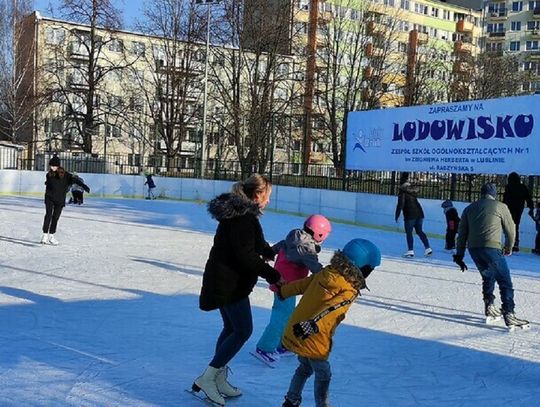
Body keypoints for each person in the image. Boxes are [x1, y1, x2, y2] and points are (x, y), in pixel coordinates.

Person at [191, 174, 282, 406]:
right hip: (229, 283)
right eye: (267, 196)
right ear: (257, 195)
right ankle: (209, 377)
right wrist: (274, 275)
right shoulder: (242, 218)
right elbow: (246, 256)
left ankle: (217, 375)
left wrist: (271, 251)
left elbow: (254, 244)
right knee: (242, 330)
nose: (269, 201)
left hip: (226, 280)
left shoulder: (244, 215)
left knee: (231, 327)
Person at [279, 238, 381, 407]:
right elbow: (332, 308)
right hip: (312, 334)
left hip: (296, 328)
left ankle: (291, 399)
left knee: (304, 368)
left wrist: (284, 290)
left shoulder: (327, 272)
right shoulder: (349, 289)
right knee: (323, 373)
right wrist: (312, 324)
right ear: (363, 268)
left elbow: (304, 284)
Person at [254, 214, 332, 367]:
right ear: (319, 234)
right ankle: (264, 348)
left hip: (283, 283)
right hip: (286, 287)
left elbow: (277, 247)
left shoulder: (293, 237)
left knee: (288, 315)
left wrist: (267, 254)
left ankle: (281, 344)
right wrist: (329, 278)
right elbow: (316, 268)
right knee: (281, 317)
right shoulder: (307, 249)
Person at [454, 182, 529, 330]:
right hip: (491, 247)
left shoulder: (469, 208)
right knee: (505, 280)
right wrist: (509, 247)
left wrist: (459, 255)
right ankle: (509, 313)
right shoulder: (500, 206)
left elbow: (461, 233)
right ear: (494, 194)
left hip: (474, 249)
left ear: (481, 193)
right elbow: (511, 228)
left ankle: (489, 306)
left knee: (488, 277)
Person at [41, 156, 90, 245]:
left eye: (54, 166)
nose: (52, 168)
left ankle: (51, 236)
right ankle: (44, 235)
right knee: (48, 215)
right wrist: (47, 183)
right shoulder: (49, 174)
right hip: (49, 198)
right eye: (51, 166)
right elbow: (51, 183)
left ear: (58, 166)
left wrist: (84, 186)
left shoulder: (66, 175)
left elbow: (75, 180)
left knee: (55, 217)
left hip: (59, 199)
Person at [395, 174, 432, 258]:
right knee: (420, 231)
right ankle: (428, 248)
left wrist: (396, 215)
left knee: (409, 233)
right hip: (419, 214)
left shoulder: (402, 193)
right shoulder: (412, 191)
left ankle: (410, 251)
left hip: (410, 215)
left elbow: (400, 205)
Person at [502, 171, 534, 252]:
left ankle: (509, 243)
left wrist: (503, 207)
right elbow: (528, 198)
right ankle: (515, 243)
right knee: (516, 225)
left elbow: (505, 198)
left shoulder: (509, 187)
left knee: (509, 226)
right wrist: (531, 207)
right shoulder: (522, 187)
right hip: (519, 208)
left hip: (509, 208)